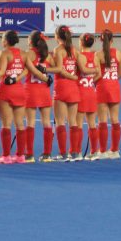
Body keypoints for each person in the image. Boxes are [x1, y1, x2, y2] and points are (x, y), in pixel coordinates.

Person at [0, 30, 28, 164]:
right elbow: (28, 69)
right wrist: (17, 78)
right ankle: (20, 155)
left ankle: (6, 156)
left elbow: (2, 71)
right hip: (19, 90)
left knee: (6, 124)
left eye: (3, 39)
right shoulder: (24, 54)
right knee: (20, 124)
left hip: (6, 90)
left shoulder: (4, 53)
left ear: (6, 41)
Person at [50, 25, 82, 161]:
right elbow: (80, 68)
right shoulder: (75, 50)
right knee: (73, 121)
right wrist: (74, 77)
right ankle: (74, 152)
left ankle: (63, 153)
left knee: (60, 121)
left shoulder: (58, 50)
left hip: (62, 86)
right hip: (73, 88)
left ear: (57, 36)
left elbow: (59, 69)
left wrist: (46, 69)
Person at [24, 31, 55, 162]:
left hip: (31, 90)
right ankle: (47, 154)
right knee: (46, 122)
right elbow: (57, 68)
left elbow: (24, 70)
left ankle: (29, 154)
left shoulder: (28, 54)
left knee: (30, 122)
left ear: (31, 41)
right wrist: (47, 74)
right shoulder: (47, 55)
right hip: (44, 90)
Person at [94, 30, 121, 159]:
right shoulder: (119, 54)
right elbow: (120, 74)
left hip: (102, 87)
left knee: (102, 120)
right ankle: (115, 150)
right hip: (114, 86)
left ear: (101, 40)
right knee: (115, 119)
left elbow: (97, 74)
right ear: (112, 40)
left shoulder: (98, 55)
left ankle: (102, 151)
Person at [77, 34, 101, 160]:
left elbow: (83, 70)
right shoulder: (95, 56)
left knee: (78, 124)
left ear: (81, 42)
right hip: (91, 91)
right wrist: (91, 81)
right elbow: (99, 74)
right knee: (92, 123)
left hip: (81, 91)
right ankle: (94, 151)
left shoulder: (80, 56)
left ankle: (77, 152)